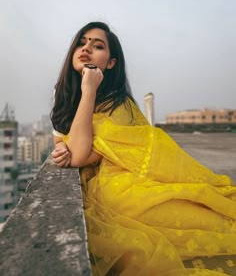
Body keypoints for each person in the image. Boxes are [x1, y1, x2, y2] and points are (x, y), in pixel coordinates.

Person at [51, 22, 236, 276]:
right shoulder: (62, 102)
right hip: (107, 192)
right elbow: (65, 151)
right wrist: (64, 149)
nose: (86, 49)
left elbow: (79, 154)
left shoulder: (119, 105)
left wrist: (89, 89)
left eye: (98, 46)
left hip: (130, 187)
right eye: (82, 43)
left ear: (111, 63)